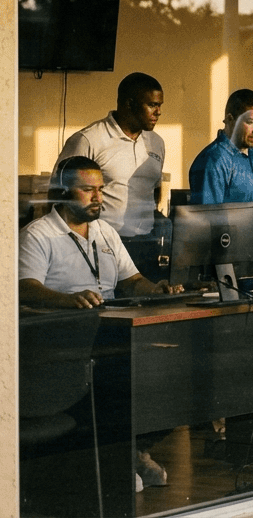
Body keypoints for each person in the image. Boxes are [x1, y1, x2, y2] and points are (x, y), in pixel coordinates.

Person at [19, 156, 183, 491]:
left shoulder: (105, 231)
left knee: (172, 376)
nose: (98, 197)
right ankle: (117, 461)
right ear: (63, 193)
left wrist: (156, 289)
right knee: (126, 380)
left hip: (112, 331)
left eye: (101, 190)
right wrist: (69, 299)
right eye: (88, 190)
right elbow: (25, 288)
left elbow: (133, 279)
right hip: (66, 343)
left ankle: (134, 451)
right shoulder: (37, 235)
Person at [56, 72, 166, 277]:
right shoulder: (89, 140)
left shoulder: (157, 142)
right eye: (152, 105)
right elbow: (58, 194)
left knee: (149, 306)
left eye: (160, 105)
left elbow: (154, 190)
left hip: (147, 244)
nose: (158, 112)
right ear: (129, 104)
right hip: (103, 243)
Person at [189, 89, 253, 262]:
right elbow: (206, 224)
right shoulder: (215, 159)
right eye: (250, 122)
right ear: (230, 119)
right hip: (234, 267)